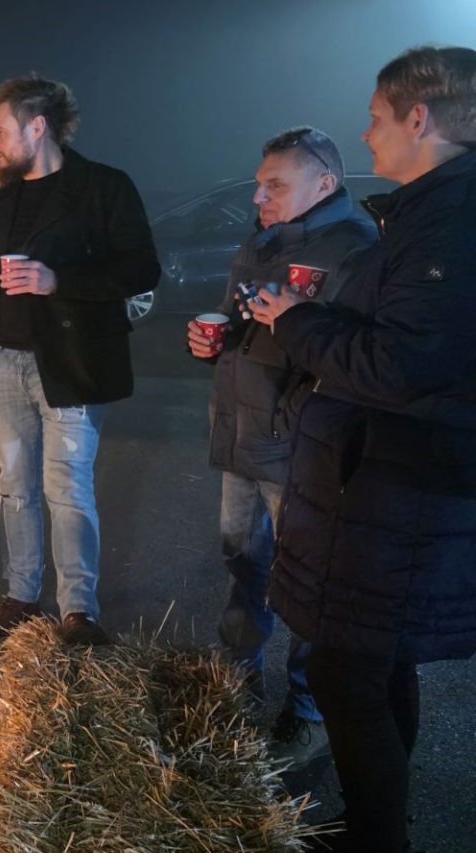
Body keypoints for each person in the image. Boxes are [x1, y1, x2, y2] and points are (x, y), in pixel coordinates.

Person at [249, 45, 476, 853]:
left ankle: (377, 837)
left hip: (400, 487)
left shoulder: (451, 218)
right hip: (392, 482)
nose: (366, 132)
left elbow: (402, 363)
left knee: (346, 672)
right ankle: (380, 824)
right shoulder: (427, 212)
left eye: (376, 118)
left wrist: (298, 321)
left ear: (419, 118)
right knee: (377, 661)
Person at [187, 127, 377, 768]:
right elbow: (238, 321)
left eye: (274, 185)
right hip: (242, 437)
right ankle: (236, 681)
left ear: (324, 183)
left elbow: (357, 362)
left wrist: (297, 407)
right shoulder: (263, 241)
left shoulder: (356, 252)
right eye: (257, 184)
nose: (258, 197)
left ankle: (309, 709)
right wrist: (210, 343)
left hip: (299, 448)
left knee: (307, 586)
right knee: (243, 564)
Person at [0, 75, 160, 646]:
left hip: (71, 362)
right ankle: (21, 595)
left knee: (67, 487)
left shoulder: (103, 187)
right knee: (14, 484)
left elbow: (141, 269)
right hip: (3, 361)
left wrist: (58, 281)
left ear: (37, 128)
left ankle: (78, 610)